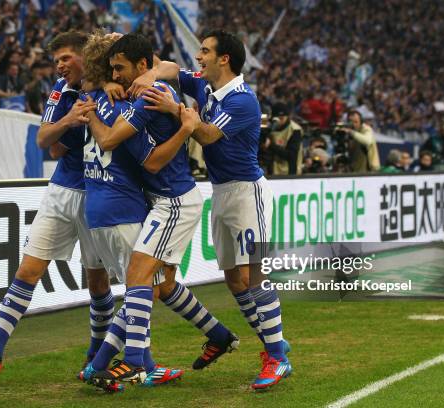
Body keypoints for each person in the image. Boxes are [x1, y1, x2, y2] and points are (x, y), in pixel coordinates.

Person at [128, 29, 291, 390]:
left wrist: (176, 110)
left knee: (255, 276)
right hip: (221, 193)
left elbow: (205, 135)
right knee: (235, 281)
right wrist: (152, 74)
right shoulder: (204, 84)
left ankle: (277, 356)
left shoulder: (243, 101)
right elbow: (169, 68)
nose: (197, 56)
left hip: (249, 194)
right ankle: (272, 342)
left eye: (204, 51)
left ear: (224, 58)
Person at [85, 33, 239, 386]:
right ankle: (217, 334)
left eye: (120, 68)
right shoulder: (141, 90)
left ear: (142, 65)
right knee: (162, 284)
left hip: (174, 202)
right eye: (111, 69)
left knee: (139, 278)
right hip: (164, 200)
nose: (117, 75)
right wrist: (113, 82)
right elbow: (162, 69)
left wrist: (186, 130)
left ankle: (135, 361)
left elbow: (146, 160)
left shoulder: (153, 96)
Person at [0, 31, 110, 375]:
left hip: (99, 193)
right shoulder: (61, 91)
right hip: (60, 191)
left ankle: (94, 356)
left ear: (86, 56)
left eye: (66, 58)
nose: (59, 65)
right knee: (28, 269)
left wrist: (64, 135)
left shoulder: (114, 89)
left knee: (97, 282)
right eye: (56, 59)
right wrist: (70, 120)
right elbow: (45, 140)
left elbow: (61, 143)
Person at [266, 102, 303, 176]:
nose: (280, 120)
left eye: (282, 118)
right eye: (277, 118)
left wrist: (271, 145)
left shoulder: (294, 130)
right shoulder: (269, 128)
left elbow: (291, 155)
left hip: (289, 173)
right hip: (271, 171)